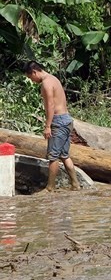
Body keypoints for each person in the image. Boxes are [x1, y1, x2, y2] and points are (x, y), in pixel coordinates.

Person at [23, 61, 80, 192]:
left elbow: (50, 106)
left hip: (58, 121)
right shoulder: (53, 79)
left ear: (34, 72)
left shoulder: (46, 83)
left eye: (30, 77)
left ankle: (50, 188)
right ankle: (75, 184)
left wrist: (48, 126)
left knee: (53, 156)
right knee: (64, 155)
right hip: (66, 119)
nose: (32, 80)